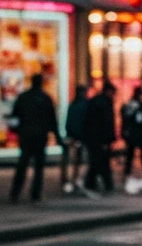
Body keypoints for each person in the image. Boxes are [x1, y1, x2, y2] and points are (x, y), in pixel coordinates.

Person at [9, 73, 63, 202]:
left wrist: (17, 130)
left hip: (26, 135)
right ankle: (35, 193)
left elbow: (15, 115)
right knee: (38, 167)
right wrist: (57, 137)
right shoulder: (45, 98)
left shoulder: (24, 97)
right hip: (40, 136)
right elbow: (52, 120)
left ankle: (15, 193)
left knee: (23, 164)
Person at [84, 80, 116, 194]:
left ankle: (91, 183)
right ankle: (105, 184)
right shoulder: (106, 103)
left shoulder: (94, 101)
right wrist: (109, 138)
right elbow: (107, 123)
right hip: (101, 138)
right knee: (102, 162)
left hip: (92, 137)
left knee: (96, 161)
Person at [120, 85, 142, 185]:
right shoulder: (141, 105)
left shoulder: (129, 105)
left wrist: (124, 132)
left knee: (130, 155)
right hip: (140, 135)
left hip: (131, 135)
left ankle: (127, 174)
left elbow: (124, 119)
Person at [62, 84, 89, 193]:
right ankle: (75, 179)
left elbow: (69, 121)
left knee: (70, 158)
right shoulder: (84, 104)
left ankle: (68, 179)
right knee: (78, 159)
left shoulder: (73, 104)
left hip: (72, 134)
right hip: (80, 135)